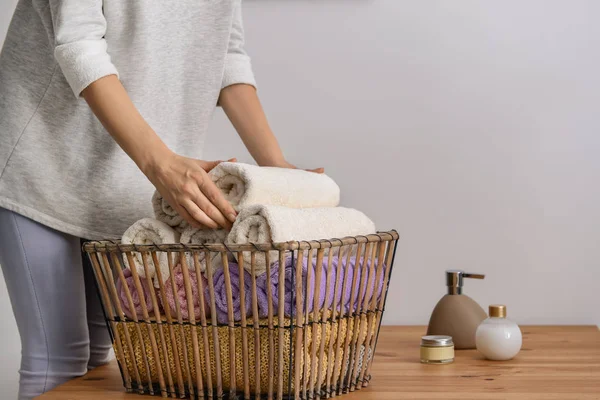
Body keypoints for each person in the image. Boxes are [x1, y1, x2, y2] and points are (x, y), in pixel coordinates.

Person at [0, 1, 321, 398]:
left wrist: (276, 167)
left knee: (101, 364)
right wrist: (160, 164)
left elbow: (226, 54)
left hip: (138, 179)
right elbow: (78, 43)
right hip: (45, 162)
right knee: (58, 358)